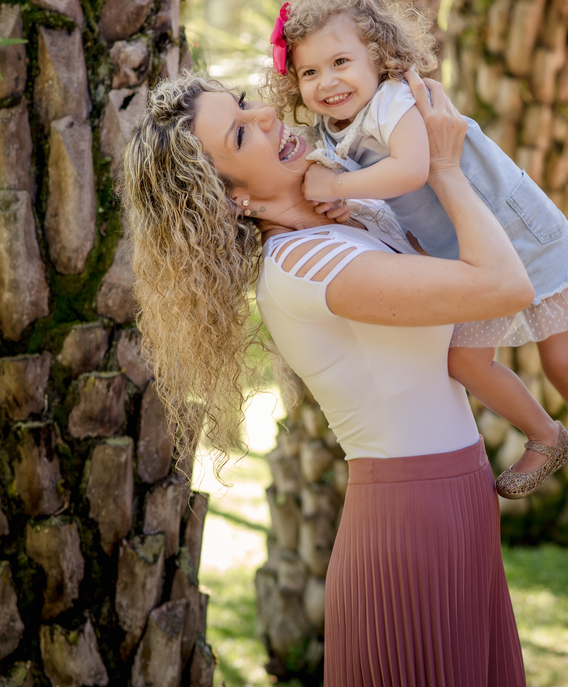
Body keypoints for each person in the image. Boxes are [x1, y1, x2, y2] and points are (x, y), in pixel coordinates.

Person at [121, 69, 528, 684]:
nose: (264, 115)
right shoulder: (307, 267)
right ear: (229, 197)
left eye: (244, 103)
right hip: (413, 521)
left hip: (459, 497)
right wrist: (442, 168)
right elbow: (504, 285)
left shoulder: (350, 219)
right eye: (240, 134)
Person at [263, 0, 568, 558]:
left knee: (566, 363)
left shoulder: (395, 101)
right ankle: (546, 435)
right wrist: (336, 196)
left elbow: (414, 169)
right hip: (464, 251)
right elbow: (369, 194)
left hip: (519, 232)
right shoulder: (330, 134)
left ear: (378, 56)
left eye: (340, 62)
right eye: (309, 72)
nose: (327, 82)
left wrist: (335, 185)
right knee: (463, 360)